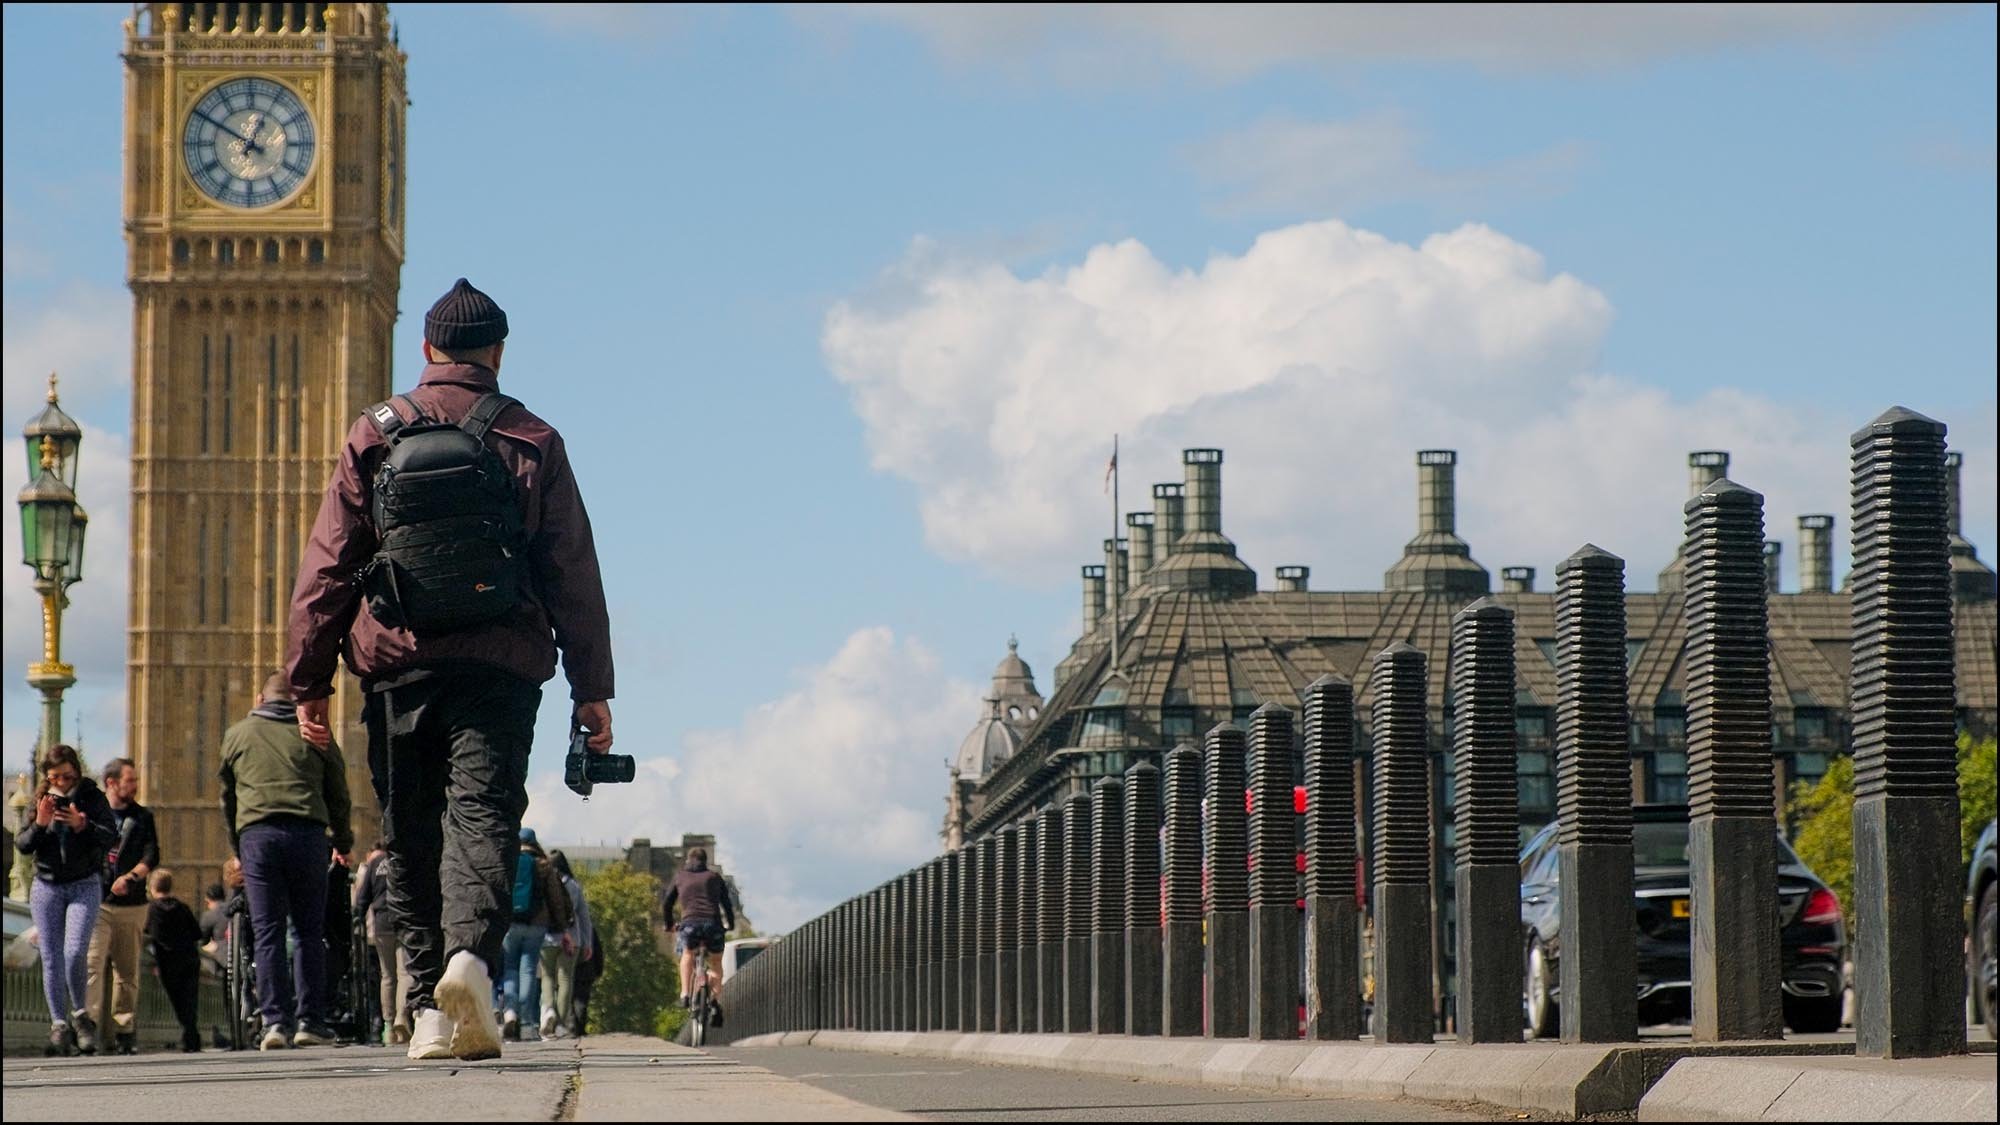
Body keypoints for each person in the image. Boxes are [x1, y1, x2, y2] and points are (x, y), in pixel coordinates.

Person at [287, 277, 615, 1063]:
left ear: (428, 348)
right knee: (484, 814)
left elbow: (329, 564)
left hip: (396, 663)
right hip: (500, 664)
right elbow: (572, 569)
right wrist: (592, 689)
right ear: (497, 353)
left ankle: (426, 1008)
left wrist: (307, 678)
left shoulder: (375, 431)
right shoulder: (532, 437)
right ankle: (470, 959)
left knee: (409, 830)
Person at [219, 670, 354, 1050]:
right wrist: (343, 841)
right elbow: (338, 791)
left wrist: (238, 846)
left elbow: (227, 797)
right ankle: (310, 1020)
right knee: (309, 932)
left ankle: (275, 1022)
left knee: (268, 932)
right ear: (296, 703)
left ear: (260, 700)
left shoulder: (237, 734)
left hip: (257, 838)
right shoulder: (314, 731)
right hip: (308, 835)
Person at [15, 744, 118, 1056]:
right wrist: (40, 823)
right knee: (51, 956)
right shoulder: (40, 799)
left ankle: (81, 1016)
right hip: (47, 886)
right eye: (55, 777)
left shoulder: (91, 796)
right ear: (47, 777)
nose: (61, 782)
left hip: (83, 883)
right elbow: (23, 845)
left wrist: (81, 824)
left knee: (74, 952)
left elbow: (110, 836)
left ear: (77, 771)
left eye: (67, 776)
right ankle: (59, 1024)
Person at [85, 757, 158, 1055]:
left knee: (126, 972)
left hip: (132, 905)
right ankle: (88, 1028)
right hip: (97, 902)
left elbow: (152, 855)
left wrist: (131, 877)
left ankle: (124, 1031)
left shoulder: (143, 817)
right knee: (91, 964)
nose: (136, 785)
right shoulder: (92, 814)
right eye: (130, 780)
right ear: (111, 783)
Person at [500, 829, 572, 1041]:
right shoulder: (543, 864)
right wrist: (561, 926)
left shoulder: (507, 859)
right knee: (529, 969)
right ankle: (527, 1023)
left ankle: (510, 1013)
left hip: (510, 922)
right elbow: (555, 898)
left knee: (510, 969)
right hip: (537, 924)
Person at [663, 846, 735, 1024]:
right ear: (705, 861)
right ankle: (715, 1002)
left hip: (690, 925)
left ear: (688, 860)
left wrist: (669, 924)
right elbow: (727, 904)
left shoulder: (680, 876)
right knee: (716, 963)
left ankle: (685, 994)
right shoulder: (714, 877)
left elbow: (667, 904)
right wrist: (730, 924)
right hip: (713, 925)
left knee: (688, 953)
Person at [353, 840, 412, 1044]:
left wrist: (359, 916)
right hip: (403, 921)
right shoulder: (404, 858)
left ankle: (388, 1025)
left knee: (387, 976)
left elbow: (363, 897)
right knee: (404, 973)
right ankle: (402, 1016)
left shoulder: (375, 863)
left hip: (382, 923)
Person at [144, 868, 205, 1053]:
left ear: (152, 887)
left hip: (167, 962)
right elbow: (197, 933)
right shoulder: (183, 907)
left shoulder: (152, 910)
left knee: (177, 1000)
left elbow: (148, 934)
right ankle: (192, 1036)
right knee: (190, 999)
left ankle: (189, 1035)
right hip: (189, 958)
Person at [539, 849, 593, 1038]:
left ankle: (548, 1010)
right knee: (565, 980)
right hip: (572, 938)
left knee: (547, 977)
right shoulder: (573, 885)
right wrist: (587, 942)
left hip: (547, 938)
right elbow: (584, 916)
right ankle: (560, 1023)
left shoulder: (543, 882)